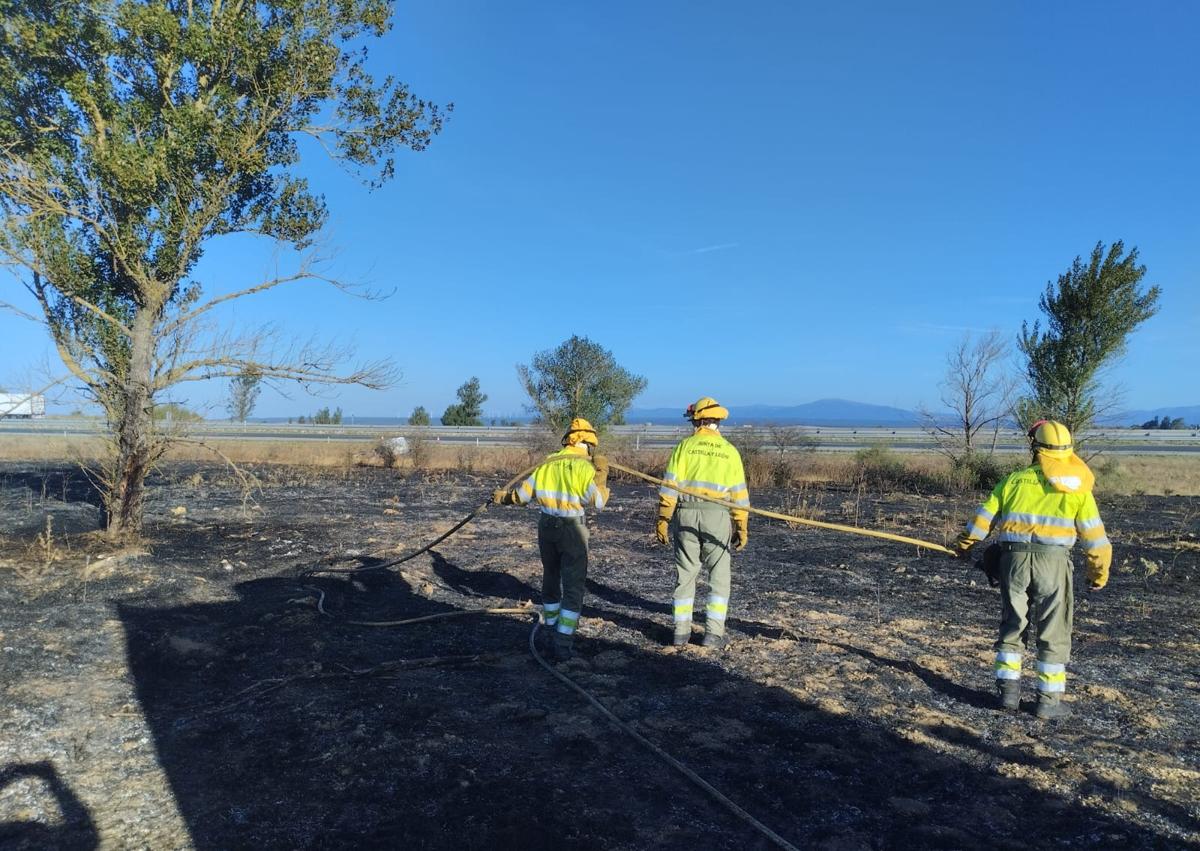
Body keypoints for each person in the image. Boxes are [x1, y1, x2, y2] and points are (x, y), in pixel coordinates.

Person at [952, 420, 1112, 720]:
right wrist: (1098, 574)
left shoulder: (1013, 481)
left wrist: (963, 547)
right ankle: (1048, 702)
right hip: (1054, 565)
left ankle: (1008, 694)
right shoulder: (1077, 488)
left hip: (1013, 562)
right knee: (1053, 630)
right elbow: (1096, 539)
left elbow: (981, 521)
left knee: (1013, 625)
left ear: (1035, 448)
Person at [493, 418, 609, 661]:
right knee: (573, 586)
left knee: (551, 577)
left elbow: (523, 496)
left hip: (546, 527)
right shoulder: (583, 467)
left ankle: (549, 630)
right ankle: (563, 643)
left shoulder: (548, 463)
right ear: (587, 443)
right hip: (572, 530)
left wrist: (503, 498)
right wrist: (601, 474)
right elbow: (598, 502)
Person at [656, 397, 750, 649]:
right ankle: (713, 635)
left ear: (697, 421)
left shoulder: (684, 447)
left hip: (685, 513)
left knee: (686, 574)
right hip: (717, 516)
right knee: (719, 576)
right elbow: (740, 495)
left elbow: (669, 487)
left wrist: (664, 518)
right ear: (717, 421)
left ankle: (680, 633)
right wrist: (741, 526)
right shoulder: (730, 452)